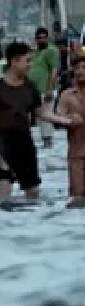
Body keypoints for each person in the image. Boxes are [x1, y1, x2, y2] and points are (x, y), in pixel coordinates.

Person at [0, 41, 78, 200]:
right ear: (14, 61)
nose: (30, 65)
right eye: (27, 60)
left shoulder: (30, 87)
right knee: (4, 190)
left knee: (33, 192)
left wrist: (67, 121)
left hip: (25, 142)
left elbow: (41, 112)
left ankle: (29, 222)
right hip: (2, 143)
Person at [54, 56, 85, 200]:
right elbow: (57, 119)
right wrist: (69, 119)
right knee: (77, 198)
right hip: (76, 154)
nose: (80, 71)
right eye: (77, 68)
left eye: (84, 68)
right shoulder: (66, 95)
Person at [29, 27, 61, 148]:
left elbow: (53, 70)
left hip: (46, 90)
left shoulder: (51, 50)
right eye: (39, 38)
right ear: (36, 39)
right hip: (35, 91)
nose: (42, 40)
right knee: (40, 117)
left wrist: (49, 89)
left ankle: (48, 141)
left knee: (46, 115)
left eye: (44, 38)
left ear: (47, 38)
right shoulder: (36, 52)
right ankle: (44, 140)